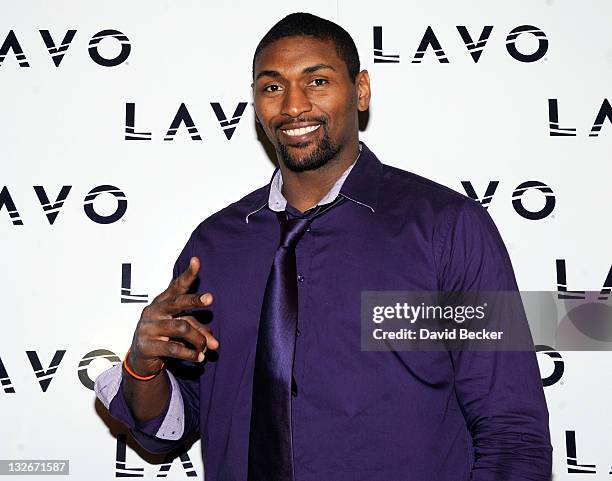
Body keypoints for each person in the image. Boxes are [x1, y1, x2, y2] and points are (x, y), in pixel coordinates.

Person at [94, 12, 553, 481]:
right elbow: (175, 423)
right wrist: (142, 367)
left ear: (361, 90)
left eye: (316, 81)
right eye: (272, 87)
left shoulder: (446, 229)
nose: (294, 106)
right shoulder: (215, 244)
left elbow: (511, 430)